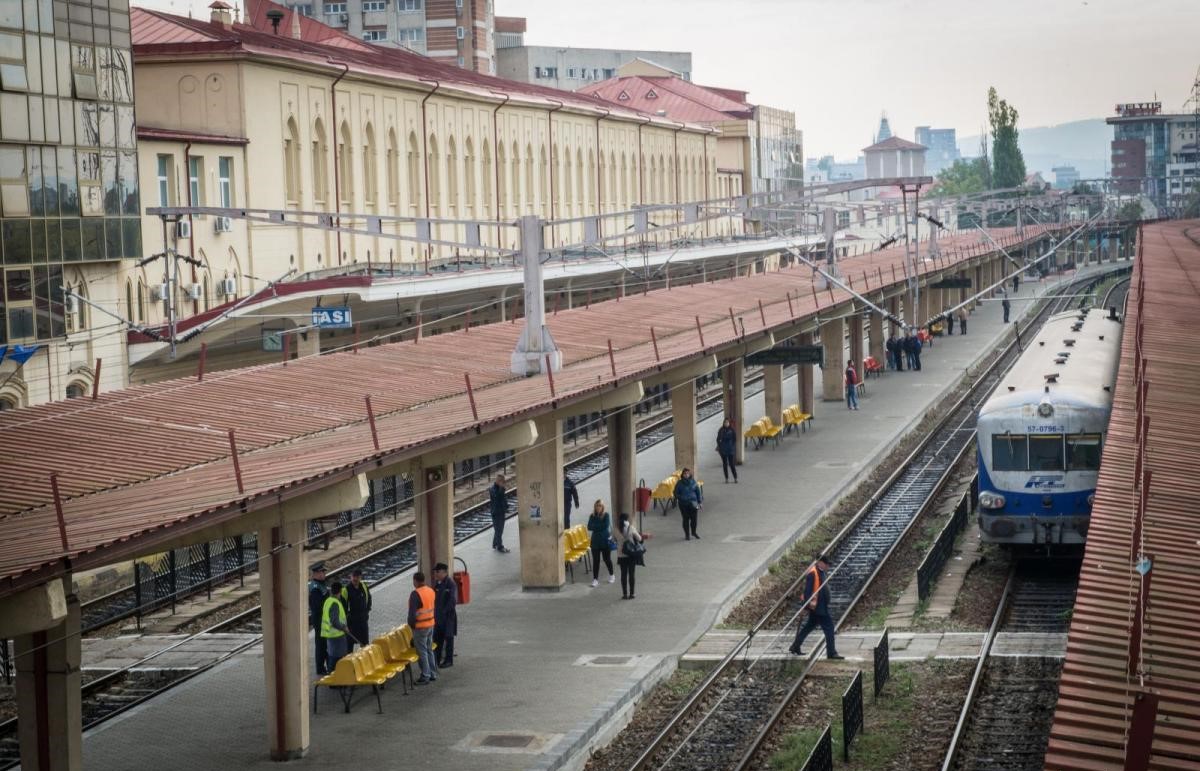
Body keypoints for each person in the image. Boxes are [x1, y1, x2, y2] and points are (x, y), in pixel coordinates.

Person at [788, 555, 844, 660]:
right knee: (830, 629)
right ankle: (831, 653)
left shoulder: (820, 572)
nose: (828, 566)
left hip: (818, 607)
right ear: (821, 563)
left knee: (808, 627)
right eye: (827, 564)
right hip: (819, 608)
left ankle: (795, 646)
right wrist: (805, 606)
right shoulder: (813, 573)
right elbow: (808, 591)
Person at [407, 572, 438, 684]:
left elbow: (412, 615)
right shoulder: (430, 591)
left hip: (420, 627)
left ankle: (425, 675)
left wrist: (412, 626)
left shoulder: (415, 594)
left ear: (415, 581)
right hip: (431, 625)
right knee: (429, 649)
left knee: (422, 652)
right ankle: (433, 673)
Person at [321, 580, 351, 671]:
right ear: (340, 592)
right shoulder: (335, 603)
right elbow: (334, 621)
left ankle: (334, 679)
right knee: (337, 658)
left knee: (332, 656)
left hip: (330, 635)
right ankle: (335, 681)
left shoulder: (328, 601)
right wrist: (344, 627)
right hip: (337, 636)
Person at [432, 562, 457, 668]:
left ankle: (449, 660)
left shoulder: (451, 584)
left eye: (437, 572)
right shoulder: (438, 584)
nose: (436, 574)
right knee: (438, 639)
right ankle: (437, 659)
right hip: (438, 617)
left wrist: (444, 612)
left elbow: (452, 600)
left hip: (448, 617)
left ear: (444, 572)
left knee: (449, 638)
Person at [614, 512, 645, 600]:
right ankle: (632, 593)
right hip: (631, 554)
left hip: (621, 555)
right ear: (627, 519)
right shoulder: (631, 528)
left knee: (623, 575)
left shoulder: (616, 529)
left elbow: (613, 539)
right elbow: (639, 538)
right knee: (631, 574)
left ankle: (624, 594)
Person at [586, 500, 616, 587]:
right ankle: (595, 579)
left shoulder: (606, 515)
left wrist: (595, 526)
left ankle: (612, 575)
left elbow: (605, 526)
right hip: (595, 542)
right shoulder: (592, 516)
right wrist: (598, 526)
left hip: (605, 541)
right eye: (597, 505)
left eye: (600, 505)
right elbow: (589, 527)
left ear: (603, 507)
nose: (598, 507)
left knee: (607, 559)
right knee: (596, 561)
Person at [341, 568, 371, 651]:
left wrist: (367, 612)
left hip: (363, 622)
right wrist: (347, 618)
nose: (355, 579)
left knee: (365, 644)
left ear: (360, 577)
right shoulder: (346, 590)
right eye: (353, 576)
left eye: (357, 577)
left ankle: (365, 661)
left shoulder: (364, 586)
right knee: (349, 646)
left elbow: (369, 599)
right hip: (352, 624)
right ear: (351, 577)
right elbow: (343, 607)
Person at [308, 563, 330, 675]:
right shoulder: (315, 588)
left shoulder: (320, 585)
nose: (324, 574)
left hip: (323, 621)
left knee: (323, 644)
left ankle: (324, 666)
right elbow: (317, 607)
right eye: (322, 572)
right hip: (320, 621)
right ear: (316, 573)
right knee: (321, 645)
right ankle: (320, 668)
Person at [674, 467, 703, 540]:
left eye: (688, 474)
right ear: (682, 475)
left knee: (694, 519)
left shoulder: (693, 482)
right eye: (685, 474)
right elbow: (675, 493)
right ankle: (687, 534)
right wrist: (681, 498)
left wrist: (700, 502)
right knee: (685, 519)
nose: (686, 475)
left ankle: (694, 532)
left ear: (690, 474)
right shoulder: (679, 483)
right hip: (684, 504)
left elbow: (698, 492)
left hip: (694, 503)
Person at [489, 473, 510, 553]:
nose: (503, 483)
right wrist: (501, 488)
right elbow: (497, 497)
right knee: (499, 530)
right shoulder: (492, 489)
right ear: (498, 481)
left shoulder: (501, 488)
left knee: (499, 530)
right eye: (502, 481)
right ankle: (500, 547)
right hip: (496, 513)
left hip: (501, 512)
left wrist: (506, 507)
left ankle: (495, 544)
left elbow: (503, 499)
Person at [715, 418, 739, 483]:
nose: (726, 423)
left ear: (729, 423)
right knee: (725, 464)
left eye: (727, 422)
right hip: (723, 450)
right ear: (723, 423)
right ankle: (726, 478)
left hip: (730, 450)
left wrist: (732, 446)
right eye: (725, 422)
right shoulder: (721, 430)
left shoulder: (732, 430)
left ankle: (735, 477)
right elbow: (717, 439)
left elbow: (735, 439)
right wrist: (720, 445)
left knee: (731, 464)